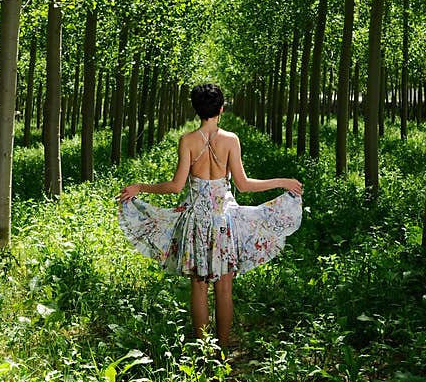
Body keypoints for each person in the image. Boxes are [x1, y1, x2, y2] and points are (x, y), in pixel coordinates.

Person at [116, 83, 303, 350]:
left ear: (196, 110)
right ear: (222, 109)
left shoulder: (187, 141)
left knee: (199, 286)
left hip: (195, 222)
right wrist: (283, 182)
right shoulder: (231, 140)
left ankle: (203, 352)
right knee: (225, 287)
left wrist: (140, 188)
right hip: (224, 221)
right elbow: (244, 184)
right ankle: (223, 351)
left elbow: (176, 186)